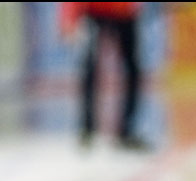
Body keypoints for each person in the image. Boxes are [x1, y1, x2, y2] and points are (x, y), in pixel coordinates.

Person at [59, 2, 151, 149]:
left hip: (124, 11)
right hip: (95, 11)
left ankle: (127, 129)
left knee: (132, 70)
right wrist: (69, 18)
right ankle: (87, 129)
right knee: (89, 68)